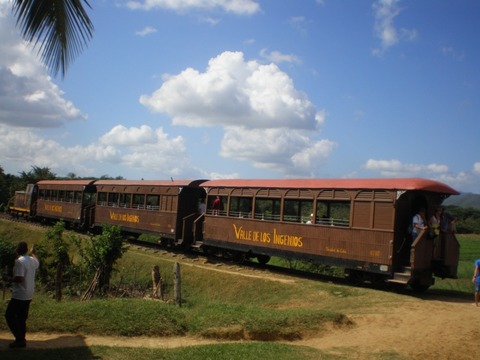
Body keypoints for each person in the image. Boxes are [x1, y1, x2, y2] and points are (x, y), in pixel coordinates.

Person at [4, 242, 39, 349]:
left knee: (9, 315)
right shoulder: (32, 260)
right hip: (29, 293)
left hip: (20, 294)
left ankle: (19, 339)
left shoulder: (19, 262)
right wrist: (33, 253)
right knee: (21, 318)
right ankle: (22, 338)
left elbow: (20, 279)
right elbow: (37, 262)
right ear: (26, 250)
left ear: (17, 250)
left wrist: (8, 279)